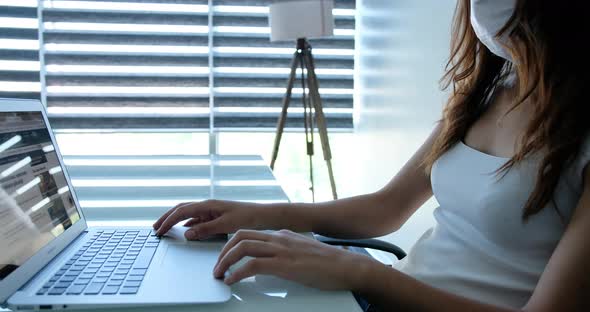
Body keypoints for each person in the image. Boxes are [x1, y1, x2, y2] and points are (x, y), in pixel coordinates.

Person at [154, 0, 590, 310]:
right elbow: (386, 209)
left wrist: (361, 273)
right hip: (382, 296)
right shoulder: (485, 92)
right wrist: (255, 213)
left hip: (383, 291)